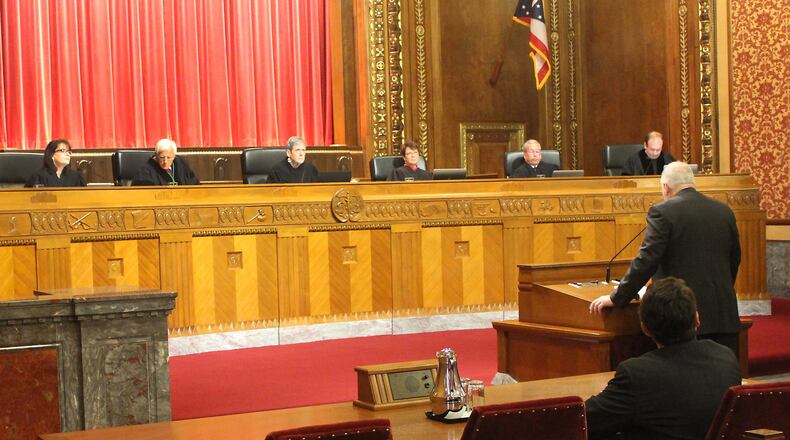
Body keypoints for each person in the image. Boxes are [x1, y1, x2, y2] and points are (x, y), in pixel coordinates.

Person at [590, 161, 741, 356]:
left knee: (685, 382)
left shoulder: (663, 211)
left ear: (666, 187)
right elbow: (734, 258)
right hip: (723, 314)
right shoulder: (723, 211)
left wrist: (618, 297)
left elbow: (647, 260)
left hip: (680, 316)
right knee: (723, 378)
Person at [585, 277, 741, 440]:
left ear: (645, 328)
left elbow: (583, 421)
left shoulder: (637, 374)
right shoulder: (725, 358)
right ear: (697, 319)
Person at [132, 138, 199, 186]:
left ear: (174, 155)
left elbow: (194, 184)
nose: (165, 161)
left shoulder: (181, 164)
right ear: (156, 155)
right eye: (162, 157)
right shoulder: (145, 171)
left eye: (169, 157)